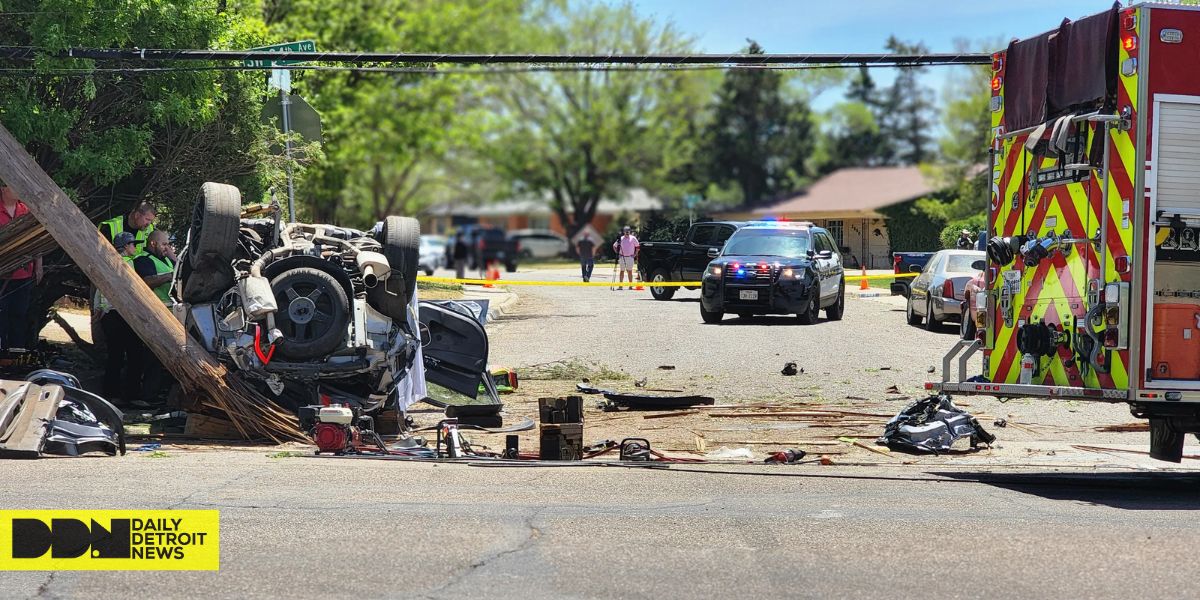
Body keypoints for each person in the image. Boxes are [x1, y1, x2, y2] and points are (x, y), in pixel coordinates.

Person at [131, 230, 178, 408]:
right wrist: (169, 277)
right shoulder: (143, 259)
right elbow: (148, 281)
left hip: (170, 313)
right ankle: (146, 395)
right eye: (164, 244)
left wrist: (173, 255)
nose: (167, 248)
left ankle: (157, 393)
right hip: (154, 314)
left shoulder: (165, 259)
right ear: (153, 244)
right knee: (153, 357)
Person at [95, 232, 142, 404]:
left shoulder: (107, 263)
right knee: (134, 355)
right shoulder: (128, 263)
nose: (135, 247)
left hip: (109, 315)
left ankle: (111, 394)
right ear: (125, 246)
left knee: (115, 355)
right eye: (132, 244)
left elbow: (99, 290)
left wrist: (98, 309)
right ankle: (131, 395)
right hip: (123, 314)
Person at [0, 182, 43, 350]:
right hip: (2, 275)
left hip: (23, 275)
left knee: (19, 315)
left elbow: (35, 240)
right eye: (13, 185)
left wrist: (39, 265)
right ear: (3, 189)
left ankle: (17, 354)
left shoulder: (25, 210)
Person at [611, 225, 640, 290]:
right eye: (626, 231)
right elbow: (614, 246)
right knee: (622, 271)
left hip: (630, 257)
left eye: (628, 231)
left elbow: (638, 247)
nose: (627, 232)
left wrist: (635, 254)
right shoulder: (621, 238)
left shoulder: (633, 238)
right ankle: (620, 286)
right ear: (624, 232)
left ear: (630, 231)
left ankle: (630, 286)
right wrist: (617, 253)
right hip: (622, 257)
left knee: (629, 271)